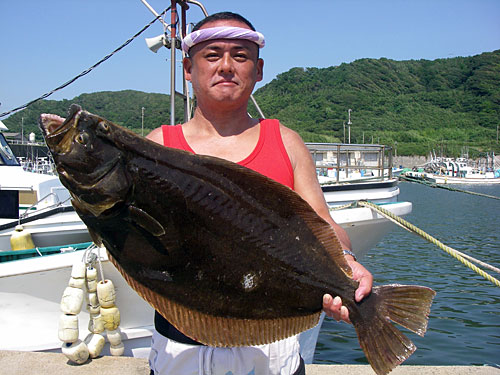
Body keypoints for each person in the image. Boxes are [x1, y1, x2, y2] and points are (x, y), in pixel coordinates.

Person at [146, 11, 373, 375]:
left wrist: (345, 260)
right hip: (178, 346)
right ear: (188, 68)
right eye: (211, 55)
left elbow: (322, 225)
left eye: (240, 56)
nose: (226, 66)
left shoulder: (286, 143)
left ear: (259, 69)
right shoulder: (158, 147)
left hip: (270, 349)